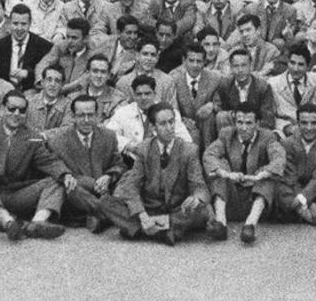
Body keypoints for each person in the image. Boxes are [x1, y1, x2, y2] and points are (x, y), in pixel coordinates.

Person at [0, 89, 71, 240]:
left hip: (15, 193)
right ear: (3, 109)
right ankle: (6, 221)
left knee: (57, 181)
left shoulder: (32, 136)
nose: (17, 113)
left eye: (22, 110)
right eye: (12, 109)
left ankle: (37, 223)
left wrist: (65, 174)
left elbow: (48, 161)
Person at [100, 103, 211, 244]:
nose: (170, 128)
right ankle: (165, 232)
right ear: (153, 128)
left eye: (172, 122)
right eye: (163, 124)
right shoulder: (144, 149)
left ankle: (139, 229)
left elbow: (200, 186)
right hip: (149, 208)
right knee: (105, 202)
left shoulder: (189, 150)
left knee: (202, 210)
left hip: (176, 210)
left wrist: (196, 198)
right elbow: (131, 186)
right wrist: (143, 216)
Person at [203, 105, 285, 244]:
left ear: (257, 123)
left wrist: (257, 176)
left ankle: (250, 225)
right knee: (219, 168)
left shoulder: (267, 136)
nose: (243, 128)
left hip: (256, 199)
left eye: (249, 123)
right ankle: (220, 223)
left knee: (268, 176)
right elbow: (209, 154)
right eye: (239, 122)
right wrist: (228, 174)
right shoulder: (226, 134)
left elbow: (279, 159)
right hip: (231, 197)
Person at [46, 95, 125, 230]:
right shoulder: (58, 140)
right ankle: (110, 213)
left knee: (127, 179)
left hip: (105, 189)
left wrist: (108, 177)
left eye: (90, 115)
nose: (86, 120)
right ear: (73, 117)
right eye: (81, 115)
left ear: (97, 115)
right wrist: (90, 183)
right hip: (79, 195)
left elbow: (118, 164)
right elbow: (56, 168)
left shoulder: (109, 136)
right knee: (68, 188)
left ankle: (99, 216)